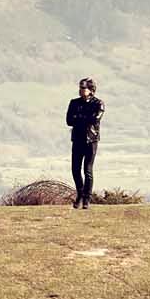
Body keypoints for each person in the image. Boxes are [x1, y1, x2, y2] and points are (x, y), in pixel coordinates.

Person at [66, 77, 104, 209]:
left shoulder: (98, 103)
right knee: (75, 169)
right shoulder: (74, 103)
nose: (81, 90)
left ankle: (86, 199)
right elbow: (69, 120)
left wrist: (79, 117)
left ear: (91, 90)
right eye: (80, 87)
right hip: (77, 139)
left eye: (83, 88)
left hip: (90, 140)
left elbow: (94, 119)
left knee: (87, 170)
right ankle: (80, 194)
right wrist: (84, 118)